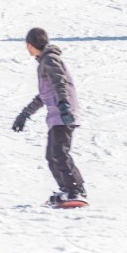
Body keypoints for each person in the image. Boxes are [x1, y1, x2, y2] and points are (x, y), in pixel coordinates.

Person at [12, 27, 86, 206]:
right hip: (58, 115)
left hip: (63, 114)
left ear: (29, 45)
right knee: (52, 155)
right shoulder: (44, 61)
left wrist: (63, 105)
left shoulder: (50, 59)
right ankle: (67, 189)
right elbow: (43, 95)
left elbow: (60, 82)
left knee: (59, 154)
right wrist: (24, 114)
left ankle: (76, 190)